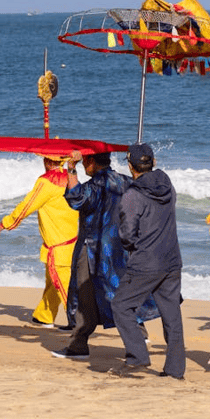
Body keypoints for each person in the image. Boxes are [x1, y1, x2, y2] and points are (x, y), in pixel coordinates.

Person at [52, 150, 158, 360]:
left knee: (84, 296)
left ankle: (78, 345)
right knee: (121, 291)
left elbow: (76, 199)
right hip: (122, 248)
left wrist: (71, 169)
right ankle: (138, 336)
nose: (83, 166)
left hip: (93, 248)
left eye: (84, 163)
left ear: (91, 161)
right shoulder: (125, 182)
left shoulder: (95, 185)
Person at [110, 143, 186, 379]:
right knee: (171, 315)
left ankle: (138, 356)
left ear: (131, 166)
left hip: (146, 261)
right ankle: (175, 370)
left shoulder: (133, 194)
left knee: (121, 306)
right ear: (152, 162)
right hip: (171, 258)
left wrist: (132, 248)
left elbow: (127, 233)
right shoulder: (167, 184)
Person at [0, 153, 79, 328]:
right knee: (53, 280)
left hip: (58, 244)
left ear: (47, 161)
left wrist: (6, 223)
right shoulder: (71, 178)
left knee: (63, 284)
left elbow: (27, 205)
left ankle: (78, 323)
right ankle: (44, 316)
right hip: (71, 239)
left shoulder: (46, 182)